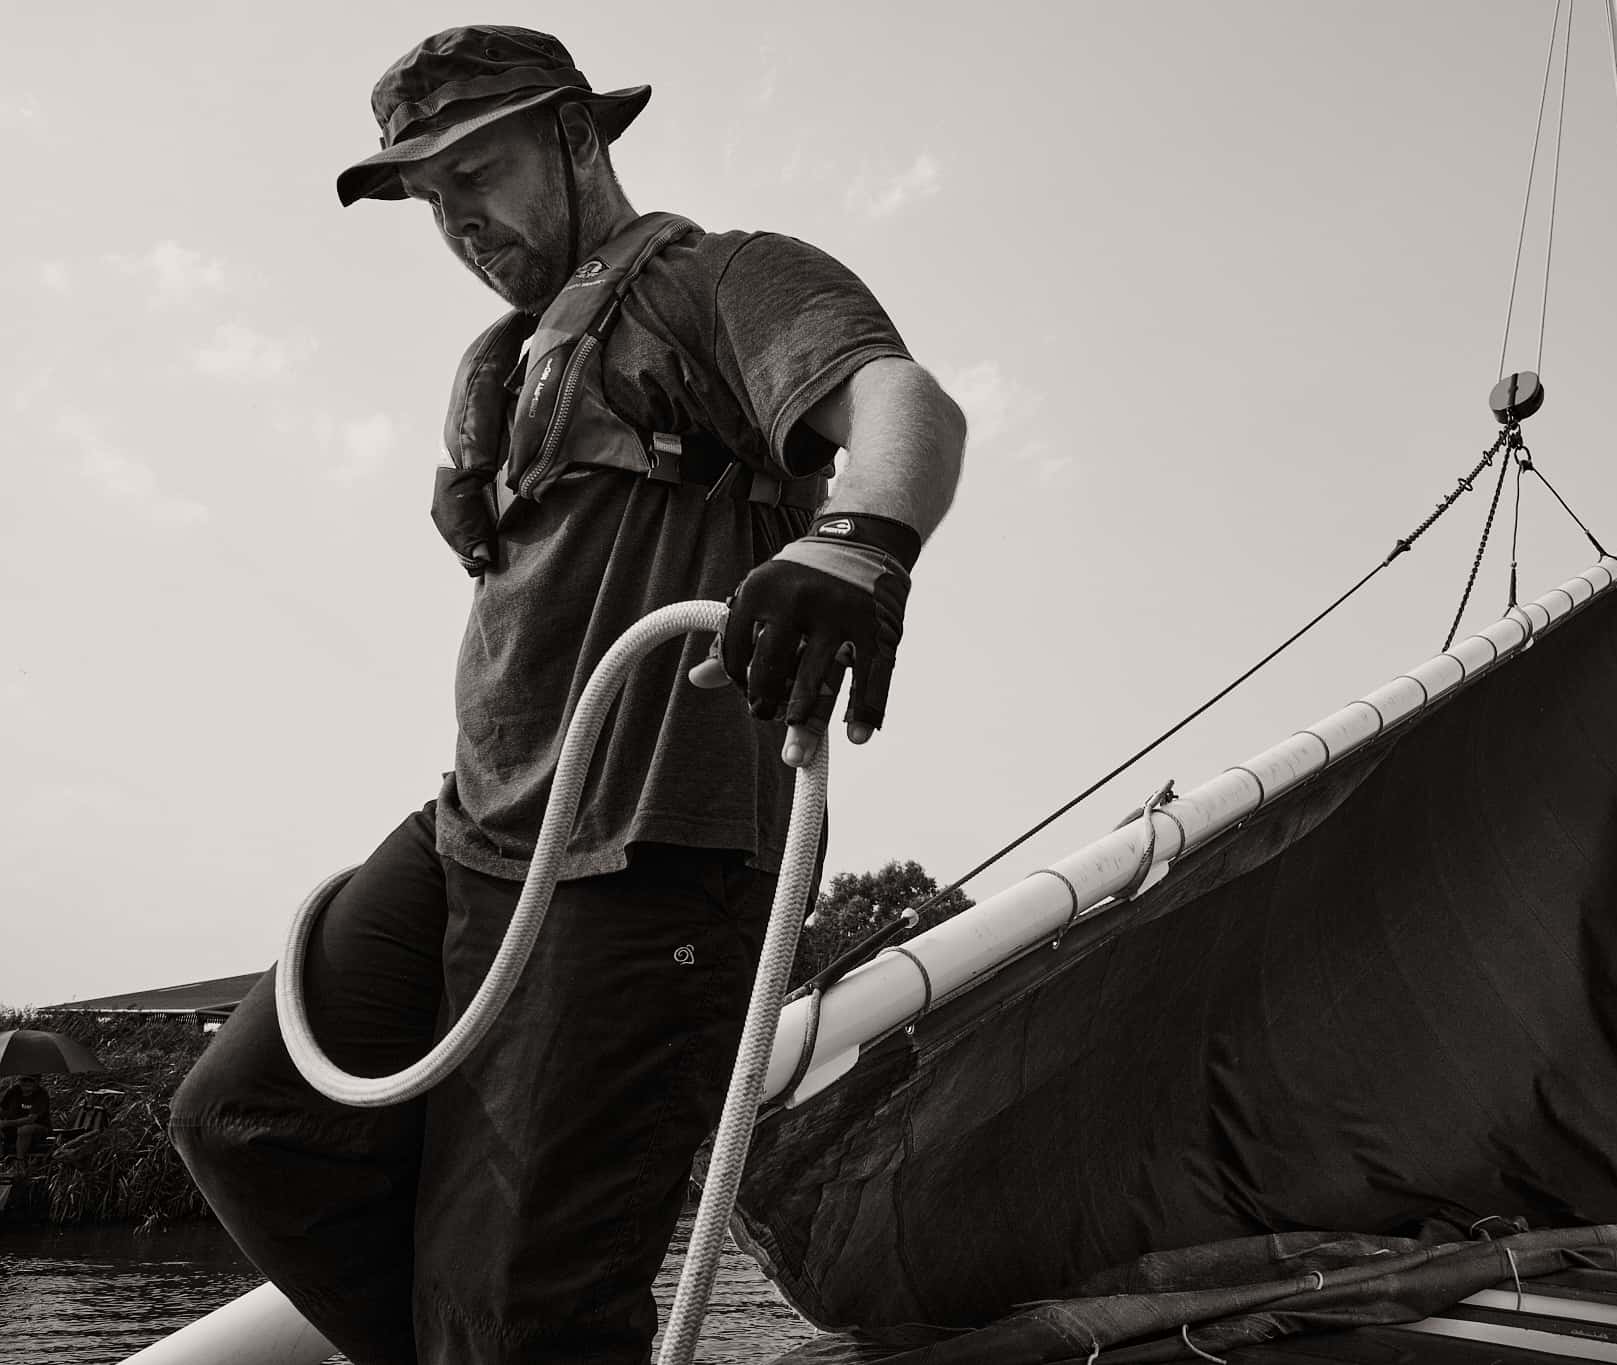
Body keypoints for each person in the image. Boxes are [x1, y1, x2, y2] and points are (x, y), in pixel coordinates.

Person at [169, 25, 966, 1365]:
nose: (459, 217)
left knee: (531, 1305)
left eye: (479, 168)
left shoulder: (720, 282)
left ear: (581, 138)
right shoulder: (497, 371)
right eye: (429, 196)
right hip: (469, 839)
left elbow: (905, 403)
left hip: (644, 863)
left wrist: (861, 542)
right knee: (246, 1119)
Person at [0, 1074, 52, 1173]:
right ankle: (2, 1160)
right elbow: (3, 1110)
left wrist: (6, 1123)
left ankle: (20, 1163)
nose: (27, 1083)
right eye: (24, 1080)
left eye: (31, 1080)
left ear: (37, 1081)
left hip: (39, 1129)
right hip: (12, 1128)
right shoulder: (13, 1091)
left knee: (24, 1129)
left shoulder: (41, 1095)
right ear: (19, 1080)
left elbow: (31, 1119)